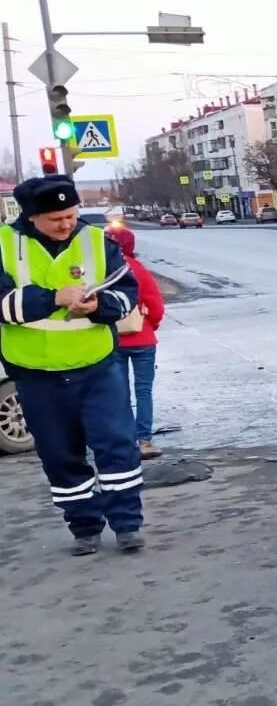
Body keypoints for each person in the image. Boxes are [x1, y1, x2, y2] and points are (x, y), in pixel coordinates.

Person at [0, 175, 145, 555]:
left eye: (70, 214)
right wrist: (52, 299)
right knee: (60, 455)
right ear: (32, 217)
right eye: (56, 218)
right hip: (35, 373)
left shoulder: (96, 240)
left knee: (117, 446)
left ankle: (128, 523)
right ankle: (84, 526)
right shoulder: (2, 245)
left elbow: (126, 293)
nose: (66, 224)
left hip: (97, 366)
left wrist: (100, 306)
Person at [105, 225, 166, 460]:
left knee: (118, 392)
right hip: (143, 339)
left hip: (113, 340)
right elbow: (156, 305)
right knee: (143, 391)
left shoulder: (103, 269)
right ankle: (144, 440)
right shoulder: (138, 269)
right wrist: (150, 324)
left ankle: (124, 440)